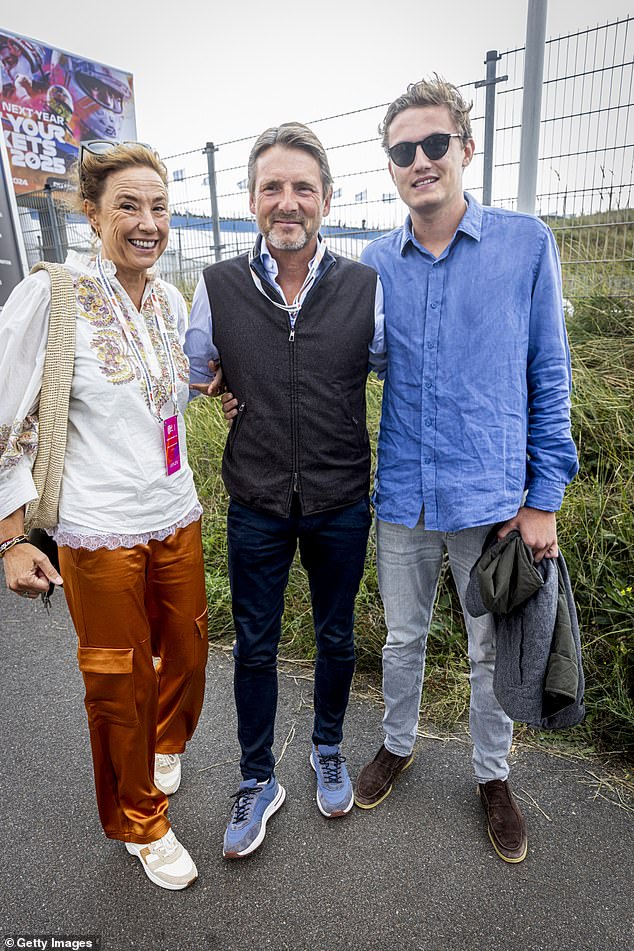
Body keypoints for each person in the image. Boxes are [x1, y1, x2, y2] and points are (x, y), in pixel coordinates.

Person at [353, 76, 579, 864]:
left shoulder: (525, 245)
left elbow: (551, 375)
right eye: (403, 151)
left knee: (492, 651)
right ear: (391, 166)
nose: (420, 160)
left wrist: (543, 498)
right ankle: (398, 743)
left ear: (465, 148)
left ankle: (493, 775)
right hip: (403, 499)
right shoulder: (375, 262)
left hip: (492, 500)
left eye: (434, 144)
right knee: (403, 637)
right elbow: (348, 363)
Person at [0, 142, 209, 890]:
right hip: (98, 531)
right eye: (128, 205)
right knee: (118, 677)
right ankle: (139, 820)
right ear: (92, 214)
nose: (147, 221)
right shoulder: (51, 296)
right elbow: (2, 415)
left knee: (186, 654)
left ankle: (159, 746)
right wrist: (10, 539)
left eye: (158, 206)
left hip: (175, 512)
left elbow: (167, 402)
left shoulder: (170, 300)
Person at [185, 122, 385, 858]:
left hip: (339, 500)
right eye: (273, 186)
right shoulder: (216, 286)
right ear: (252, 199)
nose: (287, 201)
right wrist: (219, 390)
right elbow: (192, 372)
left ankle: (327, 745)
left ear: (326, 200)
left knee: (336, 636)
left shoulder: (367, 286)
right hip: (257, 503)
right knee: (256, 647)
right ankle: (256, 777)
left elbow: (400, 372)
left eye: (303, 186)